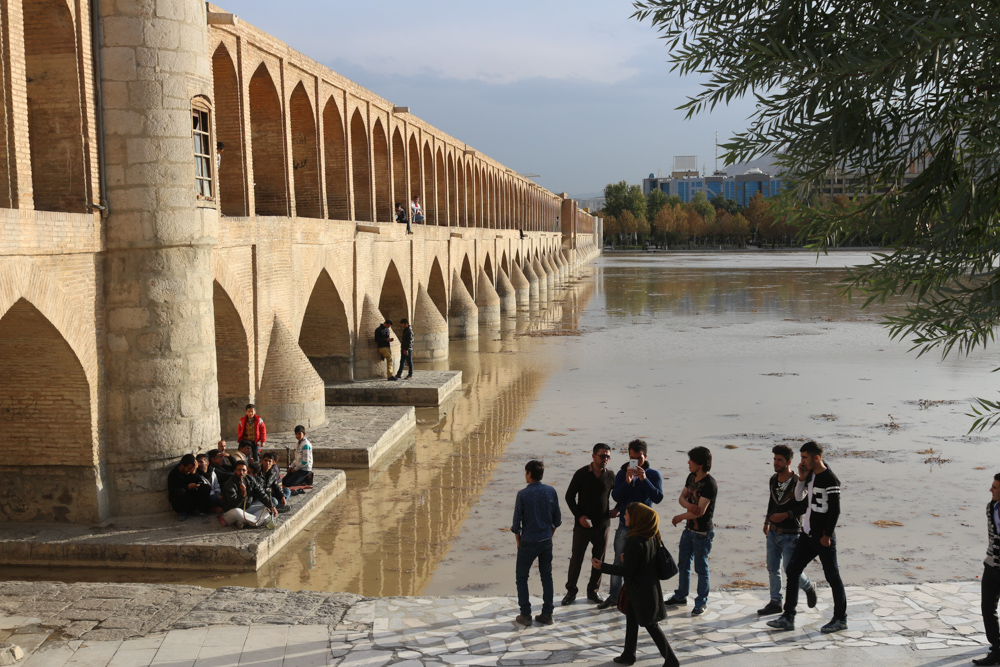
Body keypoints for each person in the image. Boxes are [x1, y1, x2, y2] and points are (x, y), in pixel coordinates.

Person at [767, 440, 847, 633]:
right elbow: (799, 498)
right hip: (807, 535)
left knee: (832, 576)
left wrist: (827, 535)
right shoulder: (809, 476)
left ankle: (840, 618)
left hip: (823, 537)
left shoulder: (830, 479)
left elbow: (835, 510)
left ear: (816, 458)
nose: (801, 461)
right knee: (793, 570)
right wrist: (802, 478)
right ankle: (788, 617)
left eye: (804, 457)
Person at [592, 503, 679, 667]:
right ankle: (628, 655)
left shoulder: (634, 540)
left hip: (640, 590)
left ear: (638, 518)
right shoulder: (651, 535)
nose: (624, 517)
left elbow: (628, 571)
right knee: (632, 621)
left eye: (627, 515)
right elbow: (642, 562)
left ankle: (671, 660)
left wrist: (601, 567)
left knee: (651, 625)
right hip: (644, 588)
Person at [602, 439, 663, 610]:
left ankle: (643, 596)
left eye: (639, 458)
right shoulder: (623, 473)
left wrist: (644, 479)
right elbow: (616, 497)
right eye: (632, 458)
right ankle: (614, 596)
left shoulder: (653, 475)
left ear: (645, 456)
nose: (636, 462)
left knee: (646, 563)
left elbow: (658, 497)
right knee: (618, 561)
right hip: (624, 526)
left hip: (644, 529)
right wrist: (627, 482)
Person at [759, 444, 816, 616]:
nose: (775, 463)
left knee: (791, 570)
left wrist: (786, 514)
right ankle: (775, 601)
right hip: (773, 532)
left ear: (789, 462)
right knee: (772, 568)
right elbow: (771, 501)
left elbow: (804, 507)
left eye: (779, 460)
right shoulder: (773, 480)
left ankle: (808, 585)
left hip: (791, 533)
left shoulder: (798, 481)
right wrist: (767, 521)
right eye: (774, 459)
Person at [665, 446, 717, 615]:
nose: (688, 463)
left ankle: (701, 601)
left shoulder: (710, 484)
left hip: (702, 533)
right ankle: (681, 595)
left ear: (700, 464)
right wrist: (688, 506)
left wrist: (680, 516)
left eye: (691, 461)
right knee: (683, 564)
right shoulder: (691, 477)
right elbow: (682, 497)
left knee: (701, 569)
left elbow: (700, 511)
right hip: (688, 530)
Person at [563, 443, 616, 606]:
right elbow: (569, 497)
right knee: (576, 558)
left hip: (602, 525)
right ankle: (571, 591)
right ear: (593, 456)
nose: (605, 459)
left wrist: (617, 509)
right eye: (602, 456)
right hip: (583, 525)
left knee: (598, 559)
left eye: (608, 456)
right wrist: (579, 517)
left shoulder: (611, 475)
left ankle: (593, 591)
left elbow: (622, 494)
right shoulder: (581, 474)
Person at [511, 460, 561, 626]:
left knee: (521, 578)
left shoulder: (523, 494)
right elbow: (557, 520)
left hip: (528, 542)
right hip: (546, 541)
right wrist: (549, 535)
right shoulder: (551, 491)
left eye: (526, 473)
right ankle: (547, 613)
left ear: (529, 474)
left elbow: (516, 524)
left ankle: (525, 614)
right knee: (547, 577)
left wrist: (519, 541)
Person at [975, 474, 1000, 666]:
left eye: (995, 487)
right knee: (987, 608)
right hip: (991, 565)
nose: (990, 490)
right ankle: (996, 649)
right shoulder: (990, 507)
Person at [220, 460, 278, 528]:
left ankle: (245, 523)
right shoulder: (230, 484)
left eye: (243, 470)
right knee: (237, 511)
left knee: (269, 505)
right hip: (232, 512)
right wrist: (242, 494)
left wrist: (272, 506)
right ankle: (260, 522)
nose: (241, 473)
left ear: (247, 471)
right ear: (235, 471)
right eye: (239, 470)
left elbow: (261, 494)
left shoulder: (251, 480)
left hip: (247, 509)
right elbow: (234, 505)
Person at [167, 453, 209, 520]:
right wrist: (187, 487)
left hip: (191, 499)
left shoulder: (192, 471)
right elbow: (172, 491)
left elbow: (200, 482)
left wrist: (194, 473)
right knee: (181, 491)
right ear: (182, 465)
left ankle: (197, 509)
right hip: (181, 501)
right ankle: (182, 512)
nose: (190, 470)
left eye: (192, 468)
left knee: (206, 487)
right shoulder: (174, 474)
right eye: (189, 468)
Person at [282, 425, 314, 492]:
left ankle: (307, 477)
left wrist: (295, 469)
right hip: (298, 467)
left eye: (299, 434)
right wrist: (292, 467)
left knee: (289, 483)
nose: (298, 436)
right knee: (284, 481)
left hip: (304, 469)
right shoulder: (297, 443)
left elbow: (305, 461)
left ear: (304, 434)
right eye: (296, 434)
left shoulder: (306, 445)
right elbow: (296, 458)